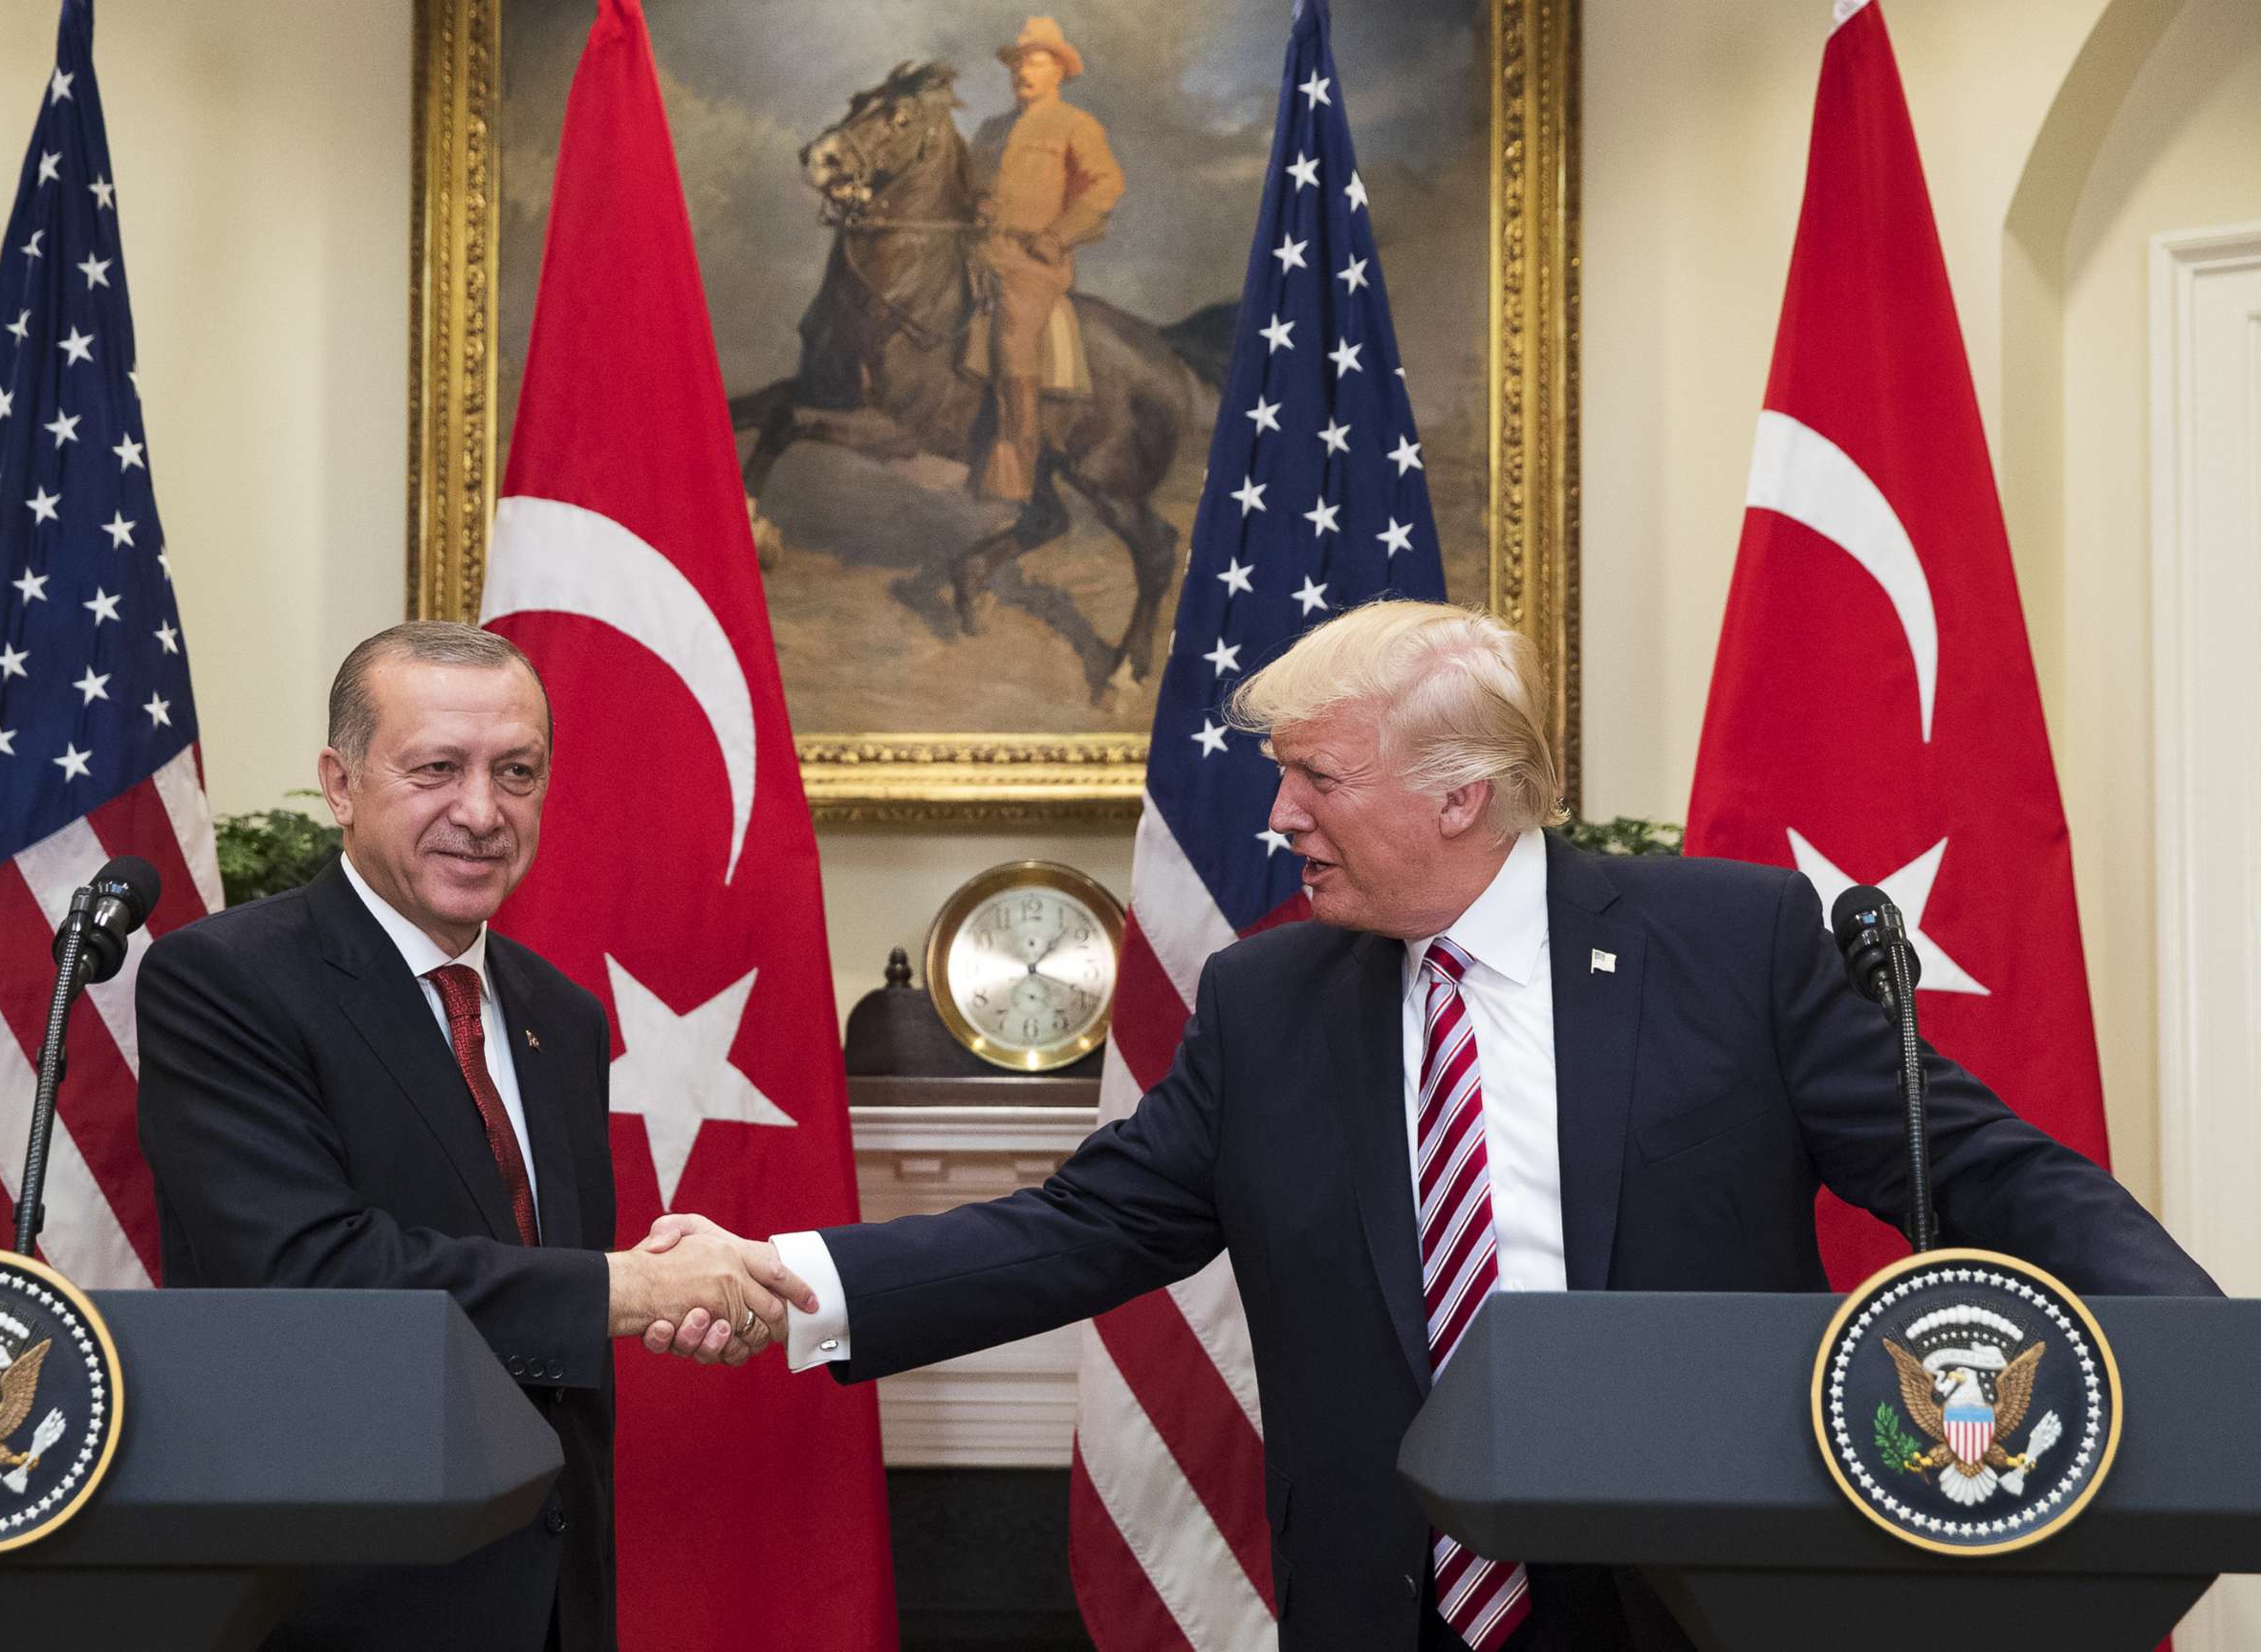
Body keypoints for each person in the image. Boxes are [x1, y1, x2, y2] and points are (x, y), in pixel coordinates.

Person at [650, 601, 2219, 1651]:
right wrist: (787, 1274)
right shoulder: (1271, 1000)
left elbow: (1989, 1172)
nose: (1280, 818)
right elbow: (1080, 1225)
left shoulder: (1727, 945)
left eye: (1315, 778)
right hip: (1389, 1597)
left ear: (1462, 791)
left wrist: (2195, 1360)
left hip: (1698, 1588)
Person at [136, 622, 811, 1652]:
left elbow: (546, 1321)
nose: (483, 812)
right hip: (337, 1605)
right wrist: (633, 1290)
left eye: (518, 771)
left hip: (548, 1599)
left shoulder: (563, 1015)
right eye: (437, 769)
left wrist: (664, 1299)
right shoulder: (227, 981)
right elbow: (304, 1273)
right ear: (341, 782)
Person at [967, 15, 1124, 502]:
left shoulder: (1075, 125)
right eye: (1018, 64)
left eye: (1035, 62)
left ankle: (1018, 462)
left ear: (1059, 72)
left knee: (1014, 338)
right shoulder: (991, 129)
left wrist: (1058, 237)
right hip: (978, 250)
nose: (1022, 72)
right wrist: (977, 204)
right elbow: (971, 185)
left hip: (1033, 263)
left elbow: (1106, 185)